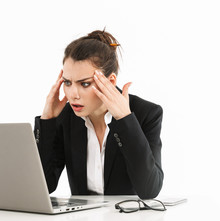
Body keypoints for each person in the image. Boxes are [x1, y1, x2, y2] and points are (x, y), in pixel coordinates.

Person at [34, 29, 163, 199]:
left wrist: (125, 120)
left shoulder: (146, 114)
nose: (73, 94)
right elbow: (43, 186)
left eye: (85, 84)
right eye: (67, 82)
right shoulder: (66, 117)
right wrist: (47, 120)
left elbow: (149, 189)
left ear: (109, 81)